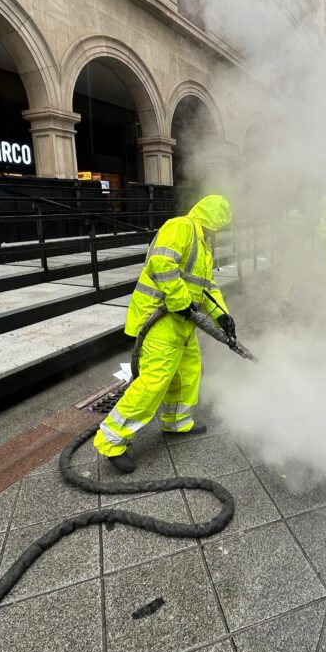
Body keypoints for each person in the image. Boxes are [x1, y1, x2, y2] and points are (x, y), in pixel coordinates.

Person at [93, 195, 236, 473]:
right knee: (154, 381)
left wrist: (222, 315)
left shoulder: (204, 246)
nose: (219, 232)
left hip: (181, 321)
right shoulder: (181, 227)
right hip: (159, 318)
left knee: (188, 371)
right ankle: (111, 440)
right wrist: (181, 301)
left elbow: (206, 287)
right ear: (212, 220)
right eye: (219, 226)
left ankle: (176, 422)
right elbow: (162, 263)